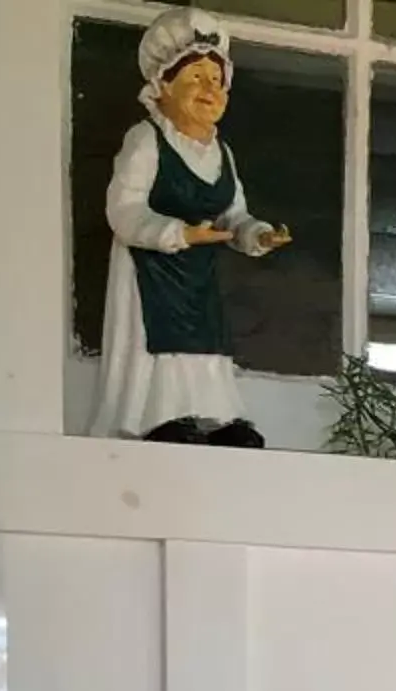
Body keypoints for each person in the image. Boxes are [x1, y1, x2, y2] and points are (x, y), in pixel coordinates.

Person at [89, 7, 292, 447]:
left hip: (198, 277)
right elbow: (123, 209)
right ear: (163, 85)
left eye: (217, 81)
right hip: (152, 273)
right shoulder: (146, 140)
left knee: (205, 342)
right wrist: (176, 234)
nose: (210, 90)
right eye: (197, 77)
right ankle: (156, 416)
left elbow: (232, 214)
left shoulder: (222, 153)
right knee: (158, 342)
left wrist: (256, 234)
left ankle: (213, 417)